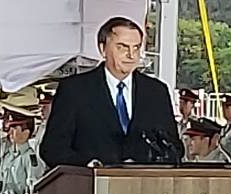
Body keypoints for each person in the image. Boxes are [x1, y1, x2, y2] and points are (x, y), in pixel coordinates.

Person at [40, 17, 183, 167]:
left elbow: (174, 147)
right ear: (103, 49)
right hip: (90, 185)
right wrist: (88, 166)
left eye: (136, 48)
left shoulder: (156, 91)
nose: (131, 55)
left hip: (143, 185)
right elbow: (53, 149)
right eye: (122, 47)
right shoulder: (75, 90)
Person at [177, 88, 199, 161]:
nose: (181, 106)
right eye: (180, 102)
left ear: (192, 105)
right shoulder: (179, 124)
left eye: (185, 103)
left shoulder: (196, 124)